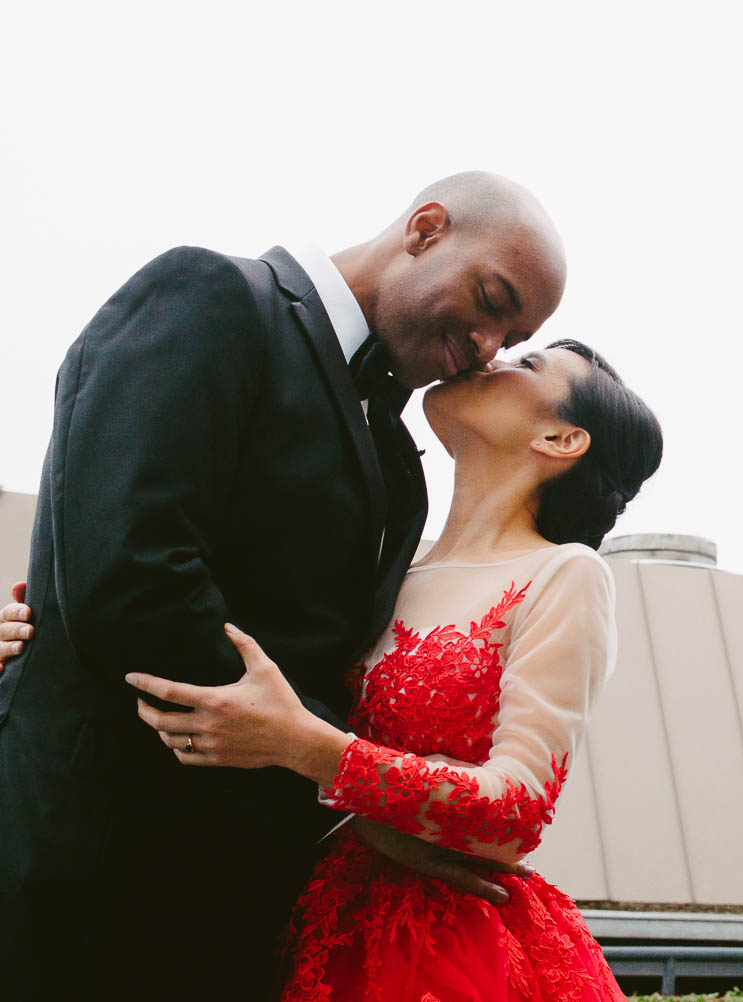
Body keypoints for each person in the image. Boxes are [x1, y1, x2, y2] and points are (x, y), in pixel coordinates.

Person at [0, 172, 568, 1001]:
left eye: (513, 334)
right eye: (491, 298)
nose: (487, 344)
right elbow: (129, 573)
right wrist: (342, 786)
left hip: (247, 906)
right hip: (89, 873)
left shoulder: (394, 451)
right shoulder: (210, 295)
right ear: (426, 228)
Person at [126, 339, 663, 1000]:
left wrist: (307, 747)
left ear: (560, 438)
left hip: (442, 951)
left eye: (528, 365)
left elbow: (517, 811)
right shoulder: (382, 572)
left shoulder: (565, 574)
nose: (490, 358)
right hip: (302, 914)